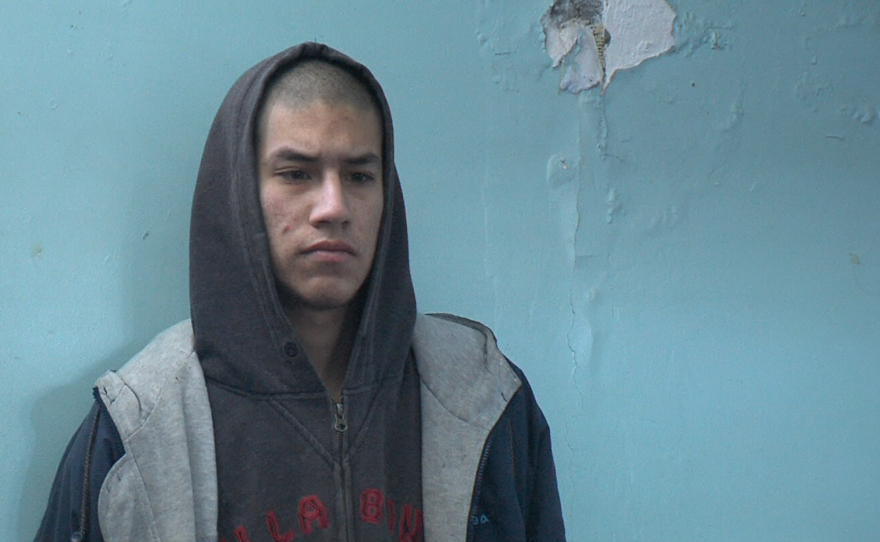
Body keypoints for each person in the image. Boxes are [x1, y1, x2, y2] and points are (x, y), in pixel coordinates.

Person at [35, 42, 566, 542]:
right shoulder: (139, 426)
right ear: (240, 195)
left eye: (359, 176)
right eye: (296, 174)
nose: (333, 207)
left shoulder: (483, 399)